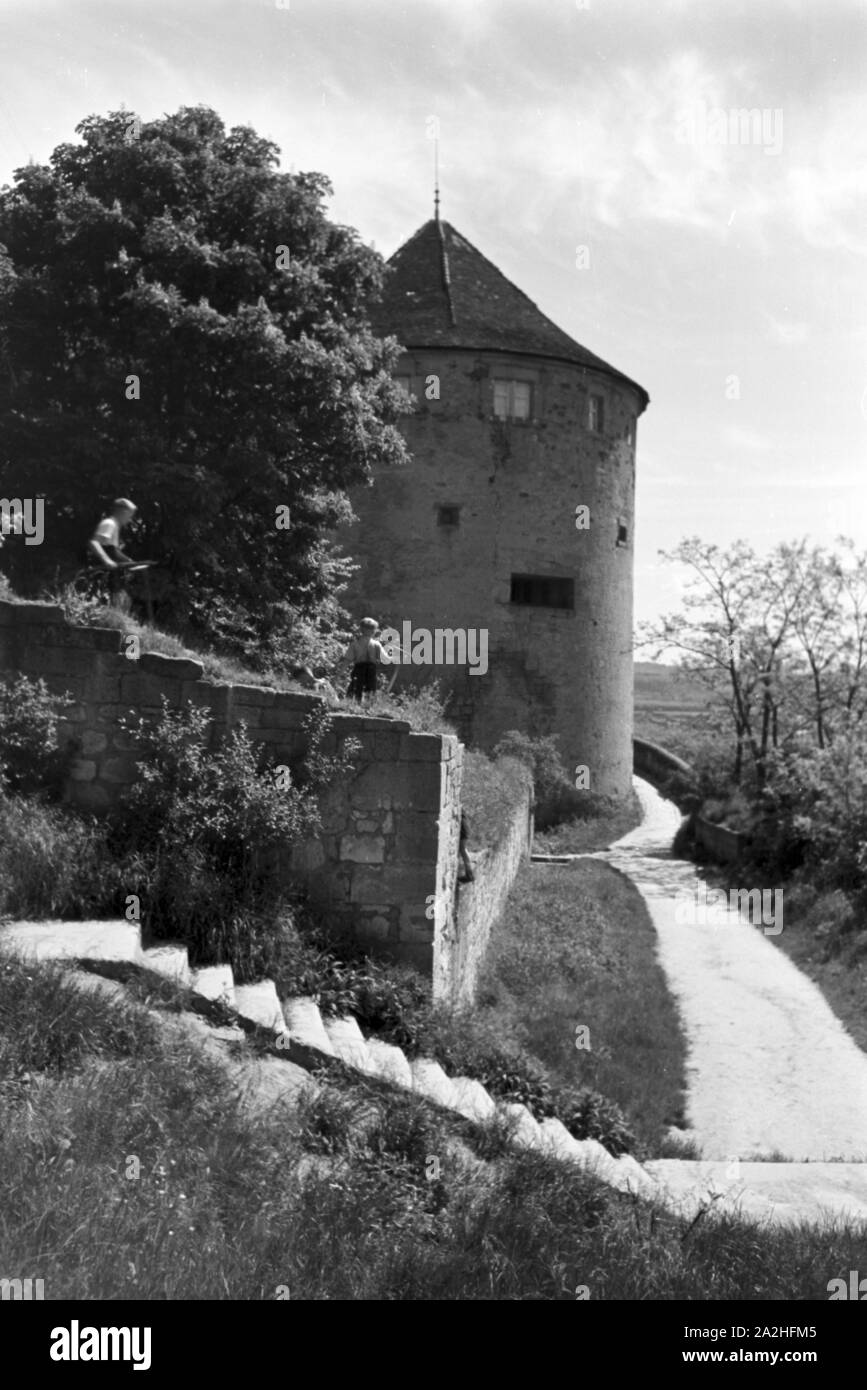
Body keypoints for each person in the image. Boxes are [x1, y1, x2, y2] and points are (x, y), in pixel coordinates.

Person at [87, 498, 138, 607]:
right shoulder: (109, 524)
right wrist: (107, 560)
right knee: (95, 596)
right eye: (130, 516)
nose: (130, 520)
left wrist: (128, 561)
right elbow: (94, 542)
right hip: (100, 569)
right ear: (123, 513)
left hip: (109, 571)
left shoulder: (115, 526)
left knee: (112, 597)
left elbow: (113, 549)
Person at [344, 617, 389, 701]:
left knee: (355, 688)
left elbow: (347, 661)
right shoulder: (376, 644)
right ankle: (367, 707)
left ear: (361, 629)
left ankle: (351, 705)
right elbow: (386, 659)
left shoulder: (355, 644)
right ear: (373, 631)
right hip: (371, 670)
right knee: (370, 691)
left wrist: (337, 675)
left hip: (359, 669)